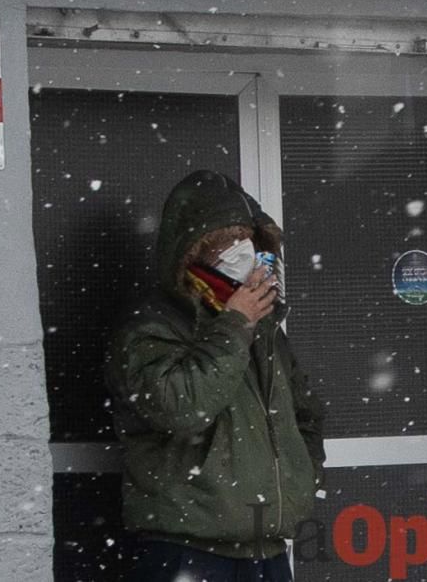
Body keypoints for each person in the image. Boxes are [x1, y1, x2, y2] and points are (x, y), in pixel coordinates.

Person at [105, 169, 326, 582]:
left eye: (249, 242)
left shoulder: (266, 331)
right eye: (227, 242)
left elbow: (305, 416)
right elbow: (179, 408)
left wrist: (299, 479)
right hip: (188, 551)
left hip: (268, 548)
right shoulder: (154, 326)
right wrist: (235, 325)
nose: (243, 253)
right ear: (194, 252)